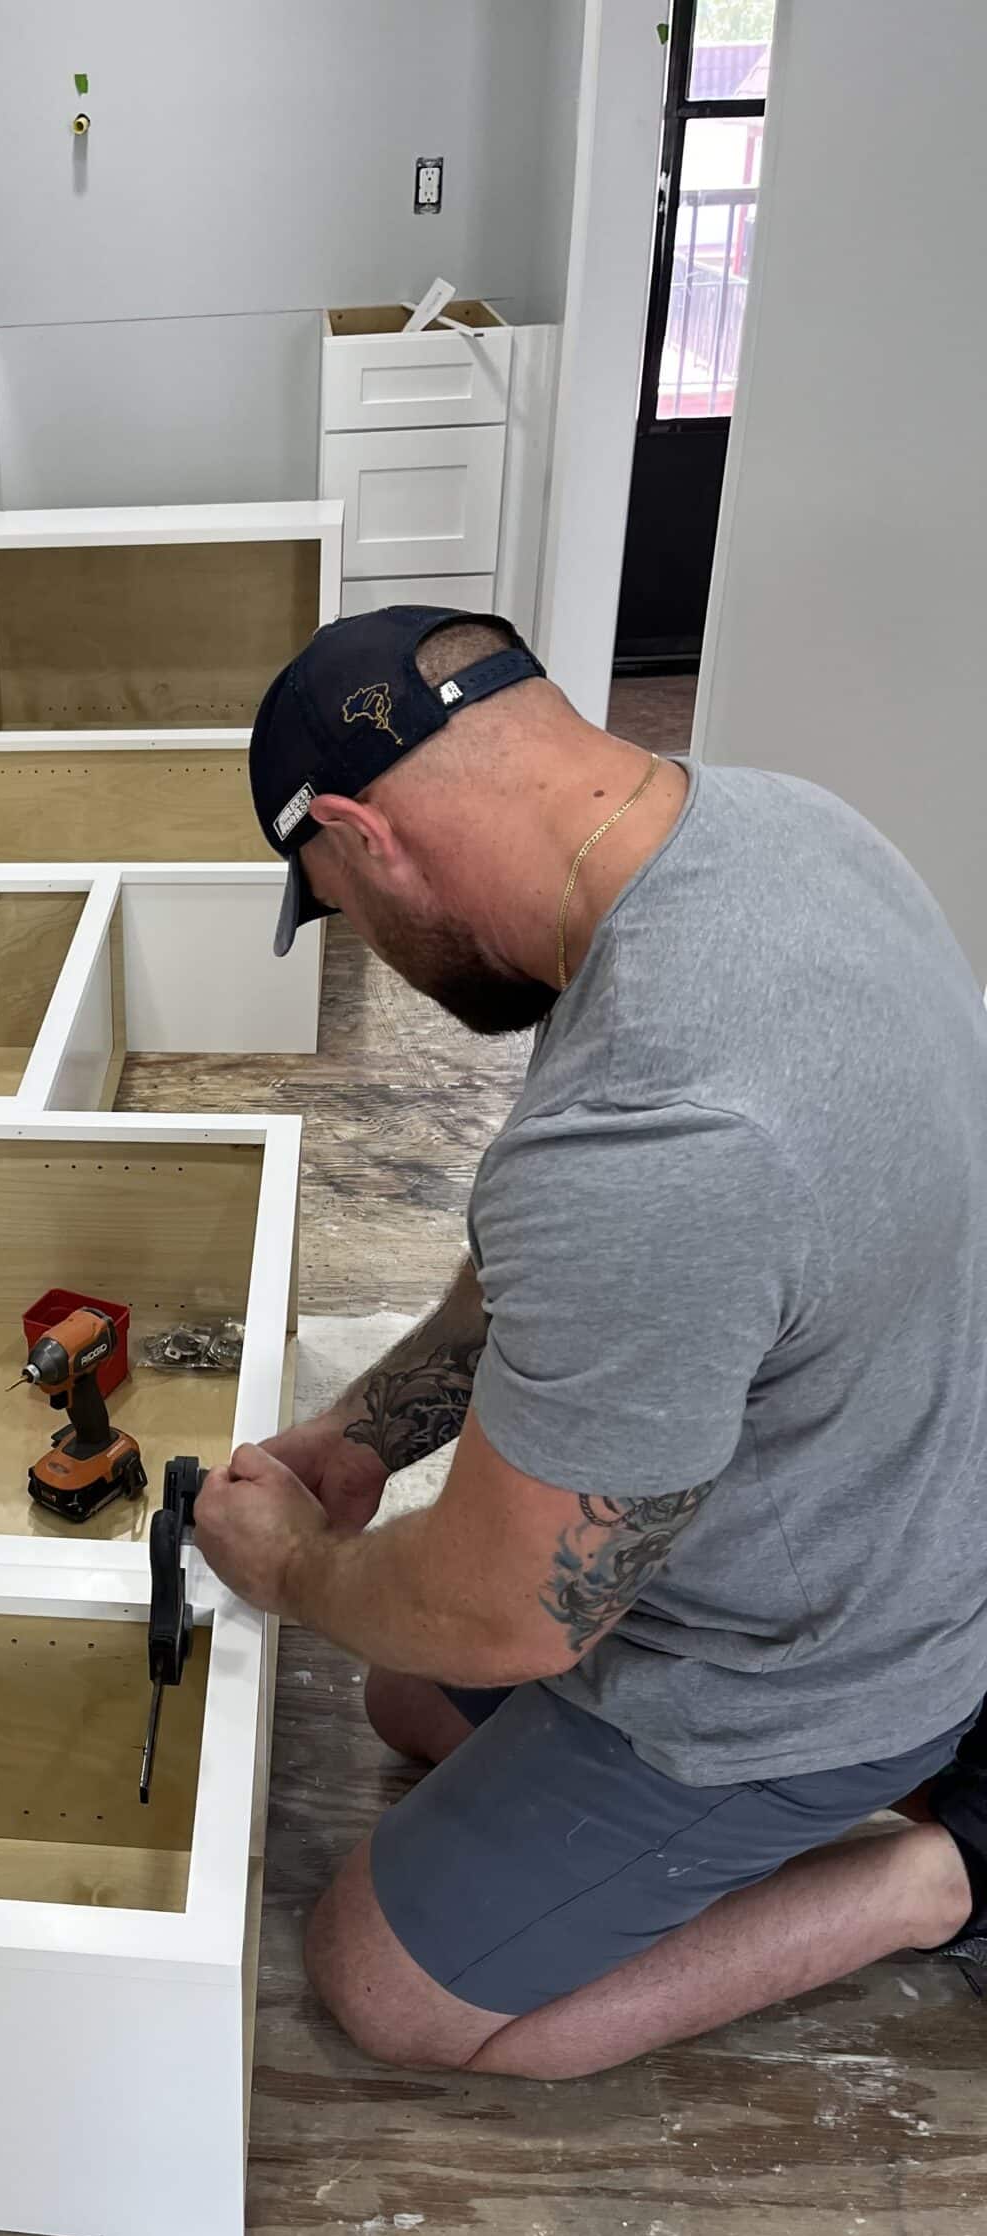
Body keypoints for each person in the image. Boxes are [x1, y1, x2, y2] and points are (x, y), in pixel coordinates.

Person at [192, 606, 987, 2080]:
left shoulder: (655, 1135)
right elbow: (552, 1283)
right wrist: (364, 1436)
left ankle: (943, 1875)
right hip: (873, 1496)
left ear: (368, 838)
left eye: (337, 906)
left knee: (388, 1986)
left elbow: (519, 1617)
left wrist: (296, 1568)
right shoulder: (756, 832)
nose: (366, 945)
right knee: (401, 1691)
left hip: (810, 1663)